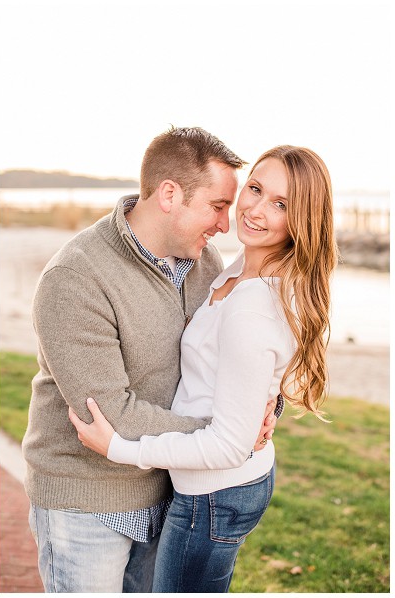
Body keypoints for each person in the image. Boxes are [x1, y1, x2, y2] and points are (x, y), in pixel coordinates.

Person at [21, 126, 280, 593]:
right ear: (169, 195)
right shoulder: (75, 278)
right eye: (218, 206)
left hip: (170, 491)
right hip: (88, 504)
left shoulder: (205, 262)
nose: (226, 224)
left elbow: (233, 358)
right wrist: (230, 433)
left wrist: (265, 407)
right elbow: (110, 415)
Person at [70, 145, 336, 592]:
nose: (254, 210)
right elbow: (254, 373)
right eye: (254, 189)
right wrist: (267, 409)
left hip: (215, 493)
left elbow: (229, 447)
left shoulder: (253, 304)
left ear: (303, 220)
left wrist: (121, 449)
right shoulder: (236, 270)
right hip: (219, 484)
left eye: (282, 204)